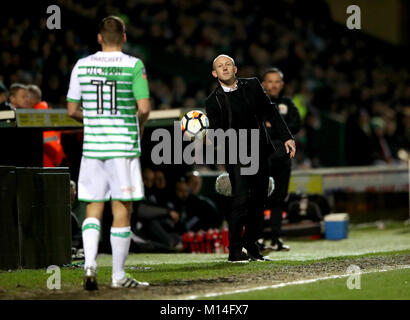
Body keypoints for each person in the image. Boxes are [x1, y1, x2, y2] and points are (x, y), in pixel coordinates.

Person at [66, 16, 151, 290]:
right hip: (122, 147)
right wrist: (136, 126)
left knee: (93, 207)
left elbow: (71, 110)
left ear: (99, 38)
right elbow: (145, 108)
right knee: (122, 208)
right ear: (124, 37)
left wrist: (92, 120)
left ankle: (89, 264)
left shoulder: (82, 65)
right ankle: (117, 276)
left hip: (93, 149)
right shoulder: (133, 65)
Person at [205, 54, 296, 263]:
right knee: (240, 199)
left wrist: (287, 138)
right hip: (235, 153)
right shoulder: (212, 101)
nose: (225, 68)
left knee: (259, 199)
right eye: (220, 66)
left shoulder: (253, 85)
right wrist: (207, 137)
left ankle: (251, 244)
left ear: (235, 69)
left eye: (228, 64)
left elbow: (271, 112)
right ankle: (235, 251)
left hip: (259, 150)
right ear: (214, 73)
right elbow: (217, 132)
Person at [261, 68, 301, 252]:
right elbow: (258, 129)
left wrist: (273, 127)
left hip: (283, 159)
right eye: (270, 81)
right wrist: (281, 129)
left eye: (277, 81)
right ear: (263, 83)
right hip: (263, 157)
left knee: (279, 199)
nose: (274, 85)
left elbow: (296, 126)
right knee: (259, 198)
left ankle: (276, 238)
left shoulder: (288, 104)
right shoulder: (257, 103)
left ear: (282, 85)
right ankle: (257, 238)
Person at [27, 84, 67, 167]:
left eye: (25, 97)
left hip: (46, 160)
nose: (25, 100)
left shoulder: (34, 116)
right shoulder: (47, 112)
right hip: (56, 158)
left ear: (32, 99)